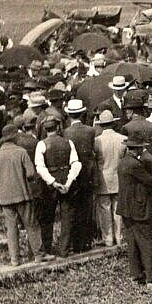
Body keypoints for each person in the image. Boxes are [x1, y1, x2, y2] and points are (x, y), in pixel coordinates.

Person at [0, 125, 45, 265]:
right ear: (14, 137)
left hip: (5, 198)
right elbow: (31, 173)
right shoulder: (21, 152)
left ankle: (15, 259)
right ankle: (38, 255)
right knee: (31, 224)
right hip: (23, 195)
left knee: (11, 228)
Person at [34, 114, 82, 257]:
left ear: (45, 129)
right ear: (58, 127)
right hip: (67, 182)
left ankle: (47, 249)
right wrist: (68, 182)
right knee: (67, 217)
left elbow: (40, 168)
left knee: (48, 218)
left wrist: (53, 183)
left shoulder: (41, 144)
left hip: (49, 186)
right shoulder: (68, 143)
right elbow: (76, 164)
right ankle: (64, 249)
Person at [116, 137, 152, 285]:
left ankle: (136, 274)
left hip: (126, 207)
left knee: (133, 242)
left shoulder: (123, 162)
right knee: (148, 242)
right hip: (139, 208)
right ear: (138, 149)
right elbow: (151, 181)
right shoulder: (135, 165)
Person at [63, 98, 97, 253]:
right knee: (87, 208)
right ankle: (86, 241)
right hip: (88, 173)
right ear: (82, 113)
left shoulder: (66, 133)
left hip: (73, 174)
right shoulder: (90, 131)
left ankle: (76, 243)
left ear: (70, 115)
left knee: (74, 209)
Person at [92, 110, 126, 247]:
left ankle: (108, 238)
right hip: (118, 177)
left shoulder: (97, 141)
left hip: (103, 179)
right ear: (113, 123)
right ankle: (119, 237)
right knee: (118, 209)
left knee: (104, 209)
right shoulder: (122, 139)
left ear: (101, 125)